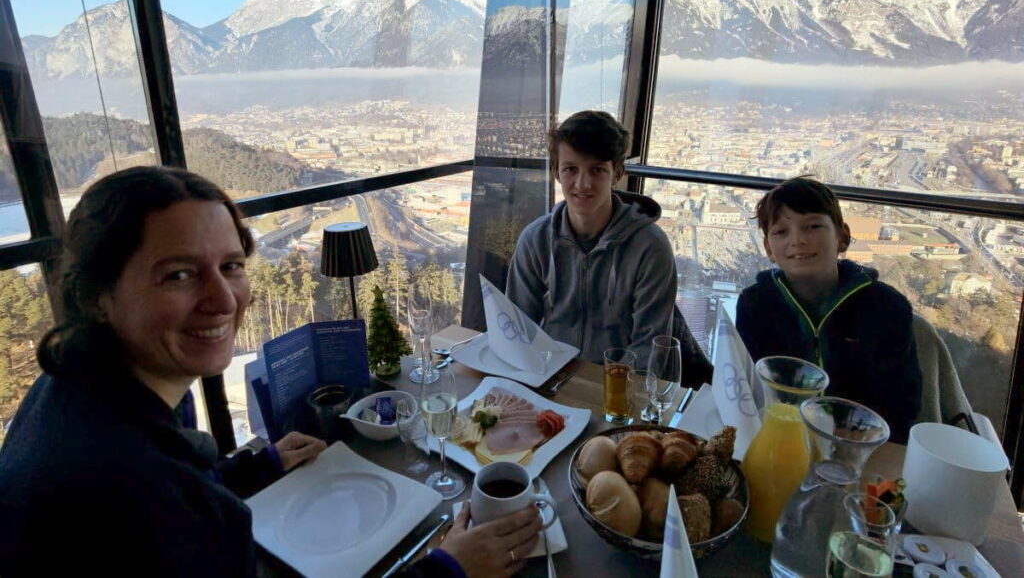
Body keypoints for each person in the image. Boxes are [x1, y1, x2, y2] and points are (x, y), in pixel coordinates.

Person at [0, 166, 539, 577]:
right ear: (98, 295)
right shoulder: (121, 484)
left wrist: (252, 470)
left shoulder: (81, 384)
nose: (222, 299)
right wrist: (450, 570)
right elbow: (157, 506)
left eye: (231, 266)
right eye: (179, 274)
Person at [506, 110, 711, 385]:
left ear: (617, 172)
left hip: (619, 390)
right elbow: (517, 330)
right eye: (571, 169)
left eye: (597, 170)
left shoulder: (650, 248)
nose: (583, 184)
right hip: (551, 380)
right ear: (556, 172)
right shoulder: (536, 240)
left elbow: (650, 347)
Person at [735, 177, 921, 443]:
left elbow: (901, 405)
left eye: (812, 226)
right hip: (778, 440)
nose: (798, 240)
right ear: (768, 249)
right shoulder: (755, 304)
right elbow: (746, 390)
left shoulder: (885, 308)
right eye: (781, 232)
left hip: (861, 449)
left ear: (842, 237)